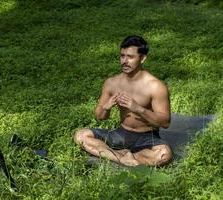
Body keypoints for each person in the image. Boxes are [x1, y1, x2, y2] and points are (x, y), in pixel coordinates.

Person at [74, 35, 172, 167]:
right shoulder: (112, 83)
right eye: (122, 56)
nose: (124, 61)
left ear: (142, 58)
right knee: (81, 135)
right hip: (121, 133)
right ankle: (122, 158)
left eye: (130, 57)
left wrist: (139, 109)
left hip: (147, 136)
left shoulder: (156, 86)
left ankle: (122, 155)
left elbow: (165, 122)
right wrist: (106, 108)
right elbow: (99, 116)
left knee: (164, 155)